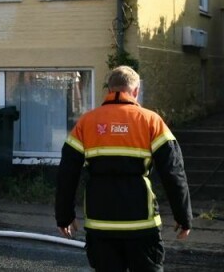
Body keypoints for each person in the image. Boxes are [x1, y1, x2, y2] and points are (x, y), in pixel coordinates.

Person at [55, 65, 192, 271]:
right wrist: (183, 216)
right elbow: (173, 172)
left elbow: (67, 172)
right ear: (135, 91)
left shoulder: (86, 122)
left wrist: (64, 215)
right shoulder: (151, 121)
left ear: (109, 90)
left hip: (100, 225)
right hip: (141, 225)